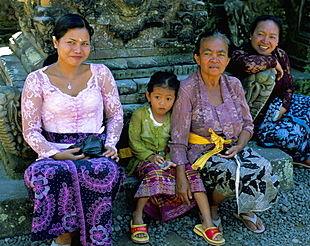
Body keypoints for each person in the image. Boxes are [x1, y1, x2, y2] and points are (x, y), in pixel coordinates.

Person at [21, 14, 125, 246]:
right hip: (54, 150)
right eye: (71, 42)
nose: (78, 49)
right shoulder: (36, 80)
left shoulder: (101, 74)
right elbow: (31, 129)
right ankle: (64, 238)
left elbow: (116, 115)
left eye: (84, 43)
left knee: (103, 170)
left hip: (95, 148)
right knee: (47, 174)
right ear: (56, 42)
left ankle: (93, 237)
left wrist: (110, 144)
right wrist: (55, 154)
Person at [169, 30, 279, 237]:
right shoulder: (187, 89)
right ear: (197, 58)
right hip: (202, 153)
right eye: (208, 53)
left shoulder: (234, 84)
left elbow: (248, 124)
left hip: (233, 147)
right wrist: (181, 176)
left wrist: (240, 145)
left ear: (228, 60)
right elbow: (178, 138)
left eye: (220, 54)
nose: (214, 59)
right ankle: (211, 205)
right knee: (234, 173)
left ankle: (245, 206)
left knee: (264, 167)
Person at [126, 71, 224, 245]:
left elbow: (179, 140)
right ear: (148, 95)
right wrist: (150, 156)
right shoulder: (140, 115)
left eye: (168, 99)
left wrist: (172, 158)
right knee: (154, 174)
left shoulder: (175, 117)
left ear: (175, 99)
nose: (162, 103)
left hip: (172, 159)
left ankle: (207, 222)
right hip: (144, 160)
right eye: (157, 97)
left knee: (192, 175)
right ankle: (138, 215)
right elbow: (134, 142)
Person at [230, 15, 310, 169]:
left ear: (278, 40)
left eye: (272, 37)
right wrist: (272, 62)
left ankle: (302, 154)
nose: (266, 41)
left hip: (276, 106)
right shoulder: (239, 54)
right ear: (250, 34)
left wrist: (284, 108)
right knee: (290, 135)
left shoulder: (281, 54)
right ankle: (294, 150)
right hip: (256, 117)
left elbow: (289, 86)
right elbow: (248, 65)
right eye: (260, 34)